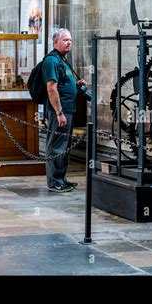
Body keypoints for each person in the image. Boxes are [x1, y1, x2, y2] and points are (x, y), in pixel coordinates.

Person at [43, 28, 86, 192]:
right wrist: (59, 112)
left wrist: (76, 84)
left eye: (70, 40)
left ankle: (61, 179)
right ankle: (54, 182)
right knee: (56, 146)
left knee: (65, 146)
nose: (69, 43)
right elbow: (52, 89)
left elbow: (63, 84)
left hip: (69, 109)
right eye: (65, 40)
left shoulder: (63, 60)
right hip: (59, 111)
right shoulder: (52, 61)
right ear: (56, 42)